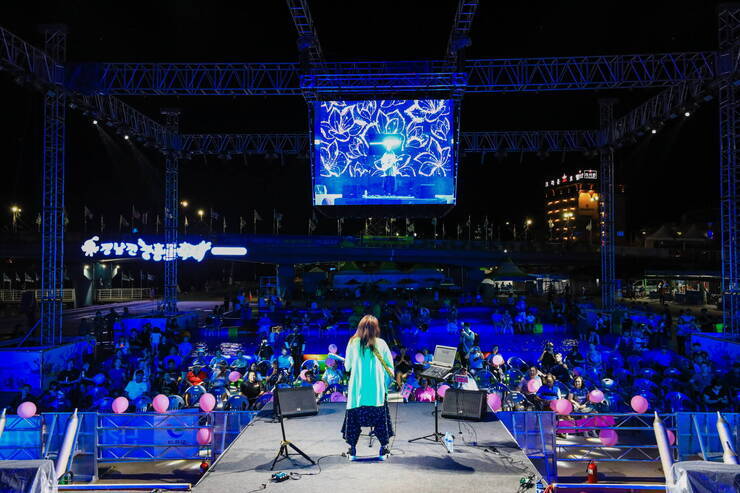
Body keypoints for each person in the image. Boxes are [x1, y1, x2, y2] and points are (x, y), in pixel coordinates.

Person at [342, 314, 394, 459]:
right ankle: (384, 449)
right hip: (376, 394)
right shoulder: (382, 343)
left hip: (357, 395)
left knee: (353, 421)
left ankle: (352, 450)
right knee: (380, 421)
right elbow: (390, 367)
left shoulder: (353, 343)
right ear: (376, 328)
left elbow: (347, 367)